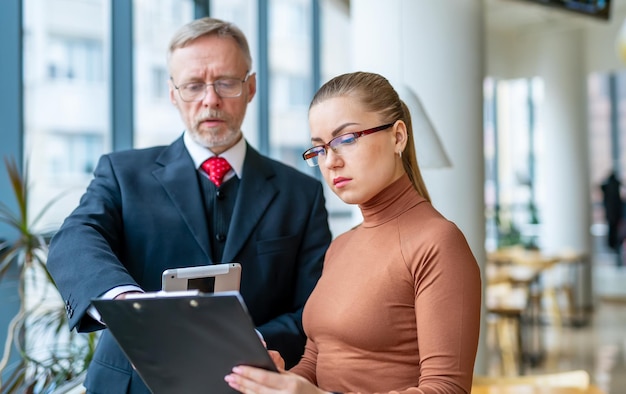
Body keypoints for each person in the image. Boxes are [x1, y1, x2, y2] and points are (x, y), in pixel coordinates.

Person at [46, 17, 332, 393]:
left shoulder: (301, 193)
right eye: (194, 85)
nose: (209, 99)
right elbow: (74, 239)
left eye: (225, 82)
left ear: (251, 87)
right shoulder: (121, 173)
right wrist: (131, 308)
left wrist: (250, 342)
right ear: (172, 93)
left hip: (250, 383)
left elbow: (312, 307)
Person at [225, 71, 482, 393]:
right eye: (319, 149)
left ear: (397, 137)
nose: (331, 161)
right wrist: (280, 380)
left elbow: (447, 389)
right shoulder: (341, 246)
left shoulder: (438, 242)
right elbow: (317, 361)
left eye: (346, 139)